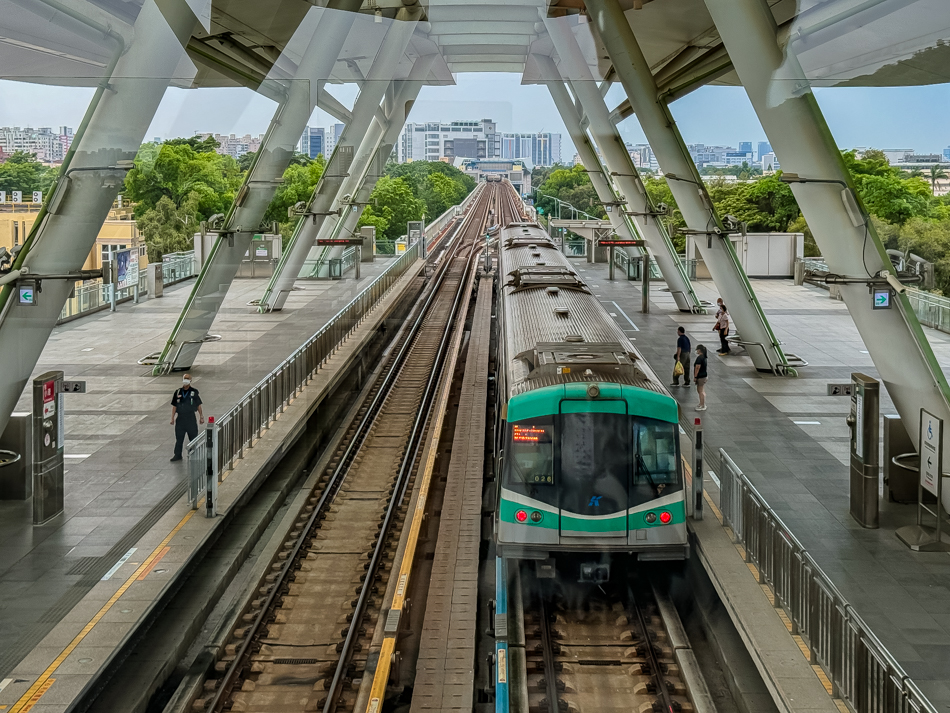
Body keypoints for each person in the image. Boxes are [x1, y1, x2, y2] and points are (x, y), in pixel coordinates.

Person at [170, 373, 204, 462]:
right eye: (184, 378)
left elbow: (198, 405)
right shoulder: (178, 392)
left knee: (193, 437)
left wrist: (201, 416)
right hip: (180, 418)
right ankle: (177, 455)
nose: (186, 380)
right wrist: (172, 418)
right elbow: (174, 406)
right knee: (179, 438)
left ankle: (193, 454)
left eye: (187, 379)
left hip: (190, 418)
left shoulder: (194, 392)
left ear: (190, 381)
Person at [694, 345, 708, 411]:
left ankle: (702, 405)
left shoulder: (699, 358)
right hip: (704, 376)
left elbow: (697, 368)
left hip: (700, 377)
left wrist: (695, 376)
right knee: (701, 390)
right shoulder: (704, 357)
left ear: (699, 350)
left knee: (700, 391)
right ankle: (702, 403)